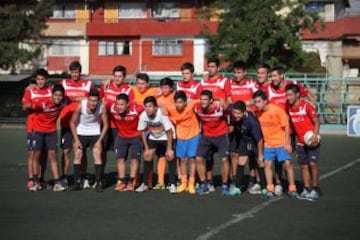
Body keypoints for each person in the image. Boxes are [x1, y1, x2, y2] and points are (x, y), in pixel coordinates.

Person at [263, 66, 315, 195]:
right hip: (276, 131)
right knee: (276, 160)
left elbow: (308, 95)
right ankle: (279, 183)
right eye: (271, 76)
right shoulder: (268, 89)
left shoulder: (293, 85)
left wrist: (313, 107)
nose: (272, 79)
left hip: (291, 129)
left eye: (275, 76)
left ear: (282, 75)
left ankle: (297, 186)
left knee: (288, 160)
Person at [253, 90, 298, 198]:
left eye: (259, 102)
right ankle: (270, 189)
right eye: (255, 102)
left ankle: (292, 188)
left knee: (288, 164)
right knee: (267, 165)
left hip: (281, 142)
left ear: (265, 101)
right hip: (268, 144)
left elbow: (286, 126)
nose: (256, 104)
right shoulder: (256, 112)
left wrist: (287, 143)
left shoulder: (276, 110)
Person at [58, 61, 95, 188]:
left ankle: (83, 177)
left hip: (82, 124)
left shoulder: (88, 84)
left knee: (81, 151)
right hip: (66, 123)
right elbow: (54, 94)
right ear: (70, 72)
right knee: (66, 151)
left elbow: (95, 98)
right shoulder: (63, 84)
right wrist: (32, 85)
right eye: (72, 72)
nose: (74, 74)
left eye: (77, 72)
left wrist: (74, 98)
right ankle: (63, 177)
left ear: (80, 72)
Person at [198, 58, 232, 191]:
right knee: (207, 158)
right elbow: (199, 99)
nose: (210, 69)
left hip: (221, 123)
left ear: (218, 68)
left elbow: (229, 100)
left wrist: (220, 102)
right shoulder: (203, 82)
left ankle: (225, 184)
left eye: (213, 66)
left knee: (225, 158)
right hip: (206, 127)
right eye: (209, 66)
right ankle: (207, 182)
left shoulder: (224, 81)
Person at [28, 84, 67, 192]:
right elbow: (28, 107)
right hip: (38, 131)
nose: (58, 98)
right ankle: (36, 182)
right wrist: (29, 89)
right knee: (36, 155)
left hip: (51, 132)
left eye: (60, 95)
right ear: (52, 95)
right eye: (56, 95)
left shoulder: (63, 102)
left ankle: (57, 183)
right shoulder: (42, 103)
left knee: (53, 156)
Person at [286, 84, 321, 200]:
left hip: (312, 141)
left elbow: (317, 121)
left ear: (297, 95)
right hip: (300, 142)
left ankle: (315, 188)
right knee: (304, 166)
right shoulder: (289, 107)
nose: (288, 97)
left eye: (290, 95)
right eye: (287, 95)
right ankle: (307, 189)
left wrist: (315, 136)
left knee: (312, 164)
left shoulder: (306, 106)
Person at [230, 60, 260, 193]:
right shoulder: (230, 84)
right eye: (235, 72)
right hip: (235, 122)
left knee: (253, 155)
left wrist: (244, 104)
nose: (237, 75)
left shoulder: (252, 84)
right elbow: (228, 100)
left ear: (245, 72)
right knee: (234, 154)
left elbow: (257, 99)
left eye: (239, 72)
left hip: (248, 122)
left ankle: (253, 181)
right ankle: (237, 181)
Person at [100, 65, 135, 179]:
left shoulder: (128, 90)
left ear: (124, 77)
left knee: (120, 153)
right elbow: (98, 100)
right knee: (102, 151)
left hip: (118, 125)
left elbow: (130, 107)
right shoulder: (106, 85)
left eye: (120, 76)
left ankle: (121, 178)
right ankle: (101, 176)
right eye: (115, 76)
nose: (117, 78)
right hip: (104, 124)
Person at [136, 96, 177, 194]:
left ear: (155, 107)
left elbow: (169, 131)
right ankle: (145, 184)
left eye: (150, 106)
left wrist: (169, 148)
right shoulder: (143, 116)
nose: (148, 109)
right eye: (146, 106)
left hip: (167, 136)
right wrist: (146, 148)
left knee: (170, 155)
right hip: (154, 137)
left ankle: (172, 184)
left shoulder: (161, 115)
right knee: (147, 156)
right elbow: (141, 131)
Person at [69, 89, 108, 192]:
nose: (92, 103)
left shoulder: (102, 107)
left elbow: (106, 125)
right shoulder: (81, 105)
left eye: (95, 101)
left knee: (97, 152)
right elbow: (72, 123)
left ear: (98, 101)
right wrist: (76, 140)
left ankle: (98, 182)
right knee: (78, 154)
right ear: (87, 99)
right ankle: (77, 182)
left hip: (95, 132)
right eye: (90, 100)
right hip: (81, 132)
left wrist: (100, 140)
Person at [194, 90, 230, 195]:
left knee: (224, 159)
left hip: (221, 135)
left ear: (211, 100)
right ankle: (204, 184)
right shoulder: (197, 108)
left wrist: (220, 99)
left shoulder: (219, 107)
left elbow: (229, 110)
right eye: (201, 99)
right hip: (206, 136)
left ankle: (224, 185)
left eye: (205, 99)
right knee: (198, 158)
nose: (203, 102)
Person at [163, 91, 200, 194]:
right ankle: (184, 183)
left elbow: (203, 99)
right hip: (180, 136)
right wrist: (162, 109)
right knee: (182, 160)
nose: (179, 105)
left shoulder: (191, 104)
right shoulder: (170, 108)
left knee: (192, 159)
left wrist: (219, 100)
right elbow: (160, 105)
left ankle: (191, 183)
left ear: (185, 102)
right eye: (177, 102)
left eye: (181, 102)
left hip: (193, 134)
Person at [22, 68, 52, 190]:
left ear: (46, 80)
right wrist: (38, 106)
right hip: (33, 126)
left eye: (42, 79)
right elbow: (25, 107)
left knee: (44, 154)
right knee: (33, 153)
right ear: (36, 80)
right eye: (38, 79)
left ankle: (41, 178)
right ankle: (31, 179)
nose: (40, 82)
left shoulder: (51, 91)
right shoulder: (30, 91)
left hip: (46, 127)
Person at [229, 100, 266, 196]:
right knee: (241, 161)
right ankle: (237, 188)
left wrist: (260, 154)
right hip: (244, 140)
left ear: (244, 113)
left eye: (238, 113)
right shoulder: (234, 111)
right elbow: (226, 105)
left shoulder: (252, 122)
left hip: (255, 142)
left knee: (260, 162)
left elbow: (260, 140)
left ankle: (264, 188)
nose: (235, 115)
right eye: (234, 113)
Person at [108, 94, 144, 192]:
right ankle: (122, 181)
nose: (119, 107)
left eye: (122, 105)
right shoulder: (111, 108)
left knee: (134, 159)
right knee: (120, 158)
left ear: (128, 104)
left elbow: (151, 106)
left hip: (135, 137)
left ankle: (131, 182)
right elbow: (101, 103)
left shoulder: (137, 108)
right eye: (118, 104)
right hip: (121, 137)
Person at [155, 77, 175, 189]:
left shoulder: (174, 97)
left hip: (172, 131)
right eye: (162, 87)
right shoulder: (157, 98)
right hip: (159, 132)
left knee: (172, 156)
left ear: (171, 88)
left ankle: (174, 180)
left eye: (166, 87)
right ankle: (161, 181)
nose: (164, 89)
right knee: (161, 156)